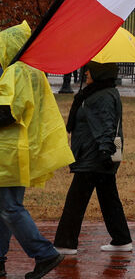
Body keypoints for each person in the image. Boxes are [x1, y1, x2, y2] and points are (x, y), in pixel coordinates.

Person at [0, 22, 74, 279]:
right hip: (16, 151)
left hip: (7, 153)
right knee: (5, 207)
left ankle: (45, 254)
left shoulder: (16, 72)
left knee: (10, 207)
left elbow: (6, 112)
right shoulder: (31, 71)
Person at [53, 62, 132, 254]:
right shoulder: (96, 92)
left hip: (95, 155)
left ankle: (65, 244)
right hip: (96, 153)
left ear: (101, 72)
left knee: (76, 200)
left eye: (90, 69)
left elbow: (107, 125)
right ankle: (121, 240)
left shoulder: (103, 95)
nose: (85, 72)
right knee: (108, 197)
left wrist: (105, 152)